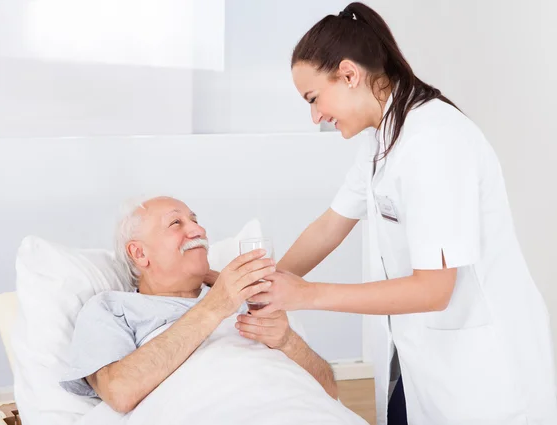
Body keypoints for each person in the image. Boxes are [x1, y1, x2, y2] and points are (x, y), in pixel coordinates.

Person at [229, 3, 557, 425]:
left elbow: (434, 290)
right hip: (424, 363)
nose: (316, 116)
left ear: (349, 74)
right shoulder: (381, 137)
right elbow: (330, 226)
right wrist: (259, 291)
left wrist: (306, 294)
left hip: (482, 377)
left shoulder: (433, 140)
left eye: (314, 99)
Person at [59, 197, 367, 425]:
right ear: (139, 253)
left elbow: (329, 390)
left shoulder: (249, 300)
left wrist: (287, 341)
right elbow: (120, 392)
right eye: (176, 223)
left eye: (195, 219)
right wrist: (216, 304)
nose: (198, 229)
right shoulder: (113, 308)